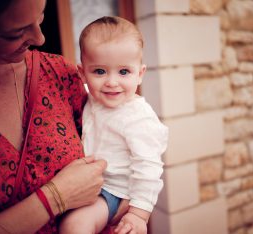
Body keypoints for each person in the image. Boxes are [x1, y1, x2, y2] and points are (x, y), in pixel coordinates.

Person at [0, 1, 129, 233]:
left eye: (40, 17)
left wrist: (133, 205)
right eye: (15, 33)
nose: (40, 38)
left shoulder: (60, 73)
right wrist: (56, 197)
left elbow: (121, 161)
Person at [59, 16, 168, 234]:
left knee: (74, 226)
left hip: (114, 191)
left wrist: (138, 214)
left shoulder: (138, 117)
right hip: (90, 183)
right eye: (99, 71)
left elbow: (148, 166)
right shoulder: (91, 97)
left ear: (140, 74)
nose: (111, 82)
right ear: (82, 73)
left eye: (124, 72)